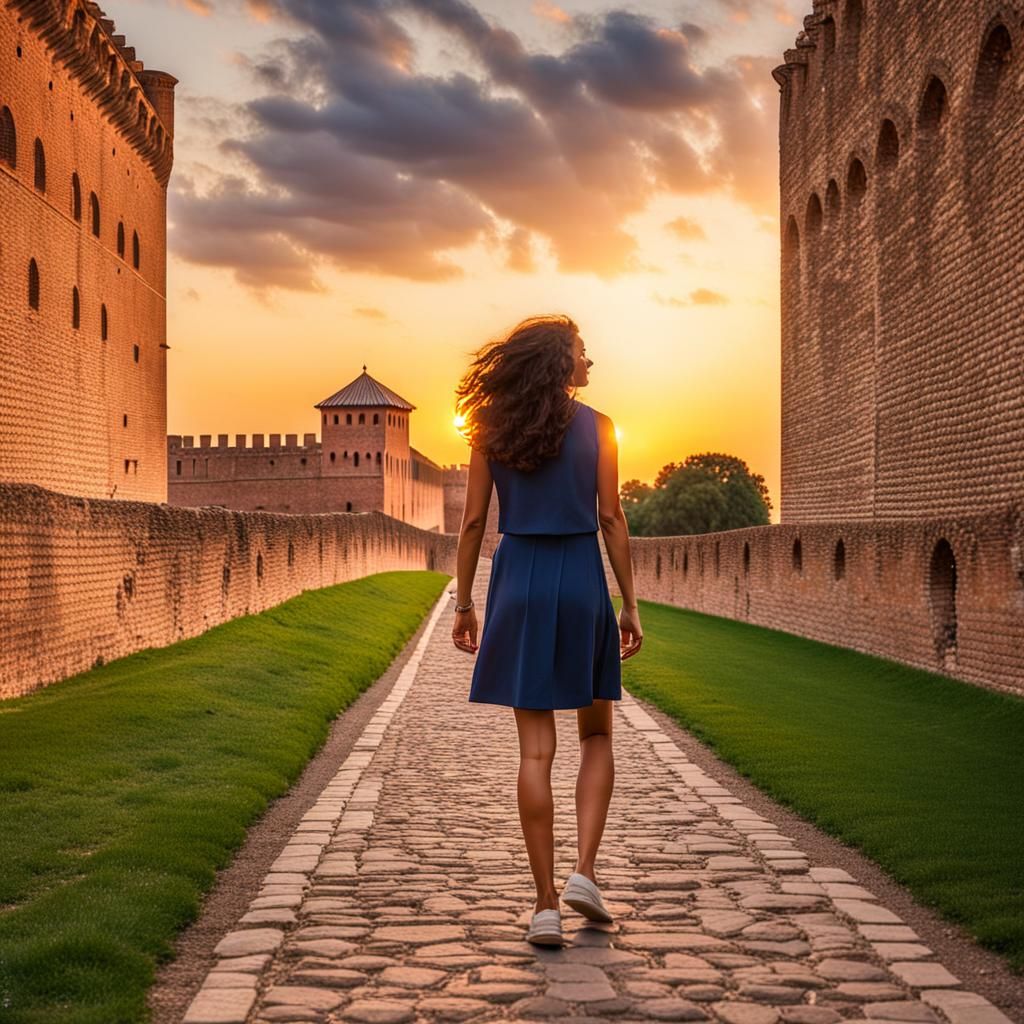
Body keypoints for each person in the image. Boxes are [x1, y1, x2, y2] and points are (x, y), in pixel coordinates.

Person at [450, 313, 643, 948]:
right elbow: (611, 519)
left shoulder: (489, 431)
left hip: (519, 583)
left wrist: (464, 604)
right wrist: (629, 604)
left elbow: (474, 523)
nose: (591, 362)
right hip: (581, 579)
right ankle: (584, 871)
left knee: (535, 753)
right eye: (584, 351)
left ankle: (544, 906)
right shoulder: (602, 427)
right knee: (596, 734)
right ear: (562, 361)